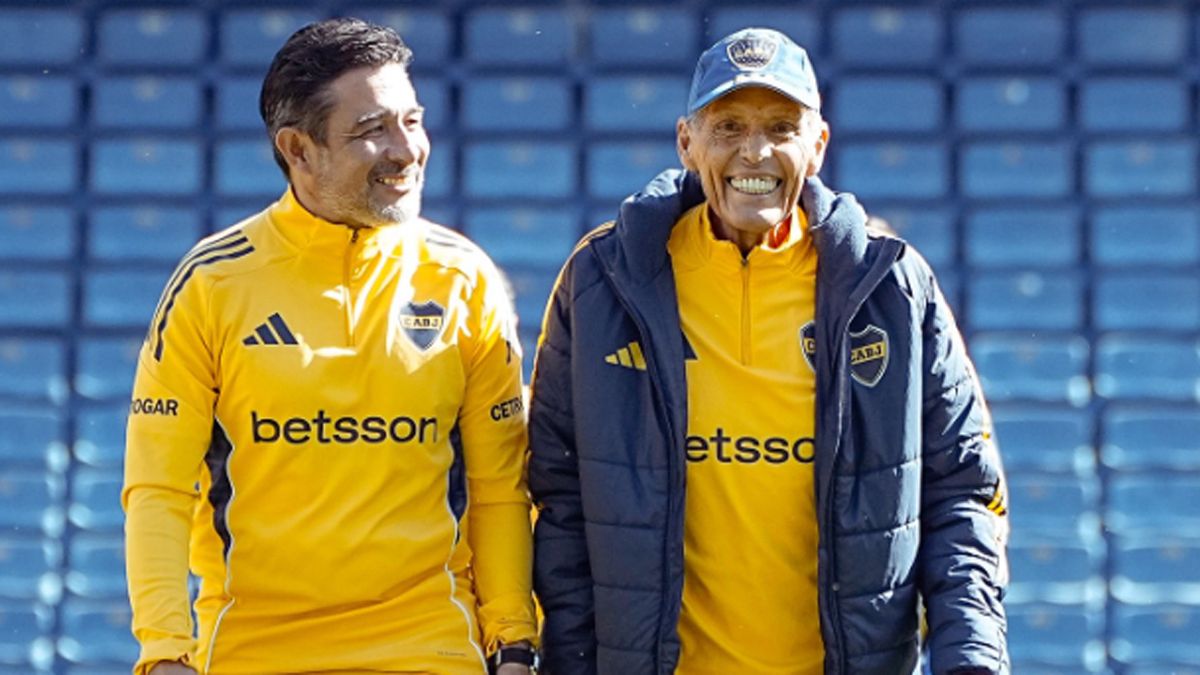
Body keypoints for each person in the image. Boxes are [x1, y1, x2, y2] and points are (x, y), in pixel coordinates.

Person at [528, 28, 1009, 675]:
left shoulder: (893, 288)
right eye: (728, 126)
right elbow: (557, 496)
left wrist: (970, 657)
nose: (754, 152)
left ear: (818, 145)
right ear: (686, 143)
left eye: (781, 127)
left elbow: (962, 493)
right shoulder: (602, 282)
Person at [123, 18, 537, 675]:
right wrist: (165, 650)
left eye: (413, 119)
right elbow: (158, 487)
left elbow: (499, 488)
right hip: (252, 652)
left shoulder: (464, 277)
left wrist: (514, 640)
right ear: (299, 149)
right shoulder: (211, 281)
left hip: (429, 648)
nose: (408, 150)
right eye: (373, 129)